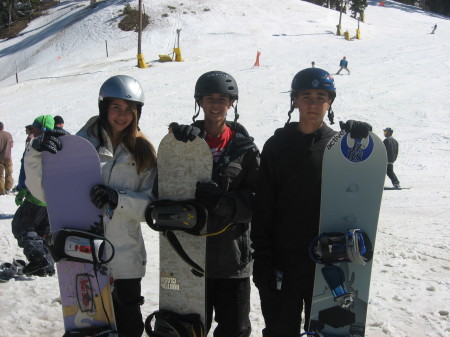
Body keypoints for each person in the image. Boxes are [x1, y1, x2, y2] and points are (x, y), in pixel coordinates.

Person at [24, 75, 157, 337]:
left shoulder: (143, 151)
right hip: (82, 254)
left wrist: (119, 200)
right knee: (88, 328)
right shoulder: (78, 146)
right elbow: (45, 192)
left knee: (129, 327)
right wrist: (35, 152)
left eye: (129, 110)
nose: (122, 115)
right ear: (103, 107)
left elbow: (151, 207)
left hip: (126, 258)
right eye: (116, 107)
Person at [251, 67, 372, 337]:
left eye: (321, 96)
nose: (313, 103)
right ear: (294, 100)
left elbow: (363, 189)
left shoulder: (341, 147)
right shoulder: (277, 145)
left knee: (328, 332)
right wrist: (262, 258)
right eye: (307, 96)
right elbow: (263, 206)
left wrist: (361, 144)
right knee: (280, 331)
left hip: (329, 262)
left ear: (330, 102)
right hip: (282, 262)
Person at [169, 70, 260, 337]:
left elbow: (258, 200)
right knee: (188, 329)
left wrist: (224, 202)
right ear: (200, 101)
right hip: (189, 256)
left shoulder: (245, 149)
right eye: (210, 98)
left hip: (233, 261)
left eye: (223, 98)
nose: (216, 105)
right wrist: (175, 147)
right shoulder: (184, 142)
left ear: (232, 103)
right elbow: (162, 189)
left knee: (234, 330)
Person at [12, 115, 57, 276]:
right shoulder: (59, 146)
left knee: (22, 226)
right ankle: (47, 267)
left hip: (34, 198)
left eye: (34, 128)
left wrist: (22, 188)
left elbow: (27, 169)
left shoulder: (35, 145)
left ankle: (38, 259)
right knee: (44, 233)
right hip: (52, 202)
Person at [0, 122, 14, 195]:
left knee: (0, 175)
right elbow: (11, 145)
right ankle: (8, 188)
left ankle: (1, 190)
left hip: (0, 157)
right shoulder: (8, 134)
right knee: (9, 173)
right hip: (8, 157)